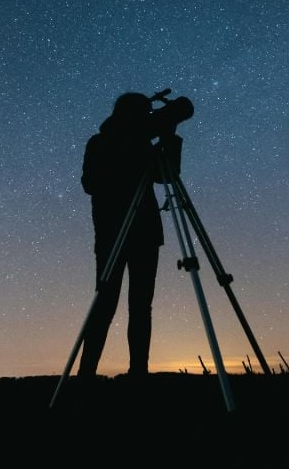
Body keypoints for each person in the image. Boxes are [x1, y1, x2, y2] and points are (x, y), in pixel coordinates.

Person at [77, 91, 181, 378]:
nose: (147, 119)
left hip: (146, 234)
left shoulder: (145, 145)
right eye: (143, 114)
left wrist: (169, 137)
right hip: (113, 233)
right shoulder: (100, 143)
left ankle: (139, 373)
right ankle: (86, 374)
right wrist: (126, 154)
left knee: (141, 307)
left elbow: (168, 176)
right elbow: (90, 183)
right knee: (105, 304)